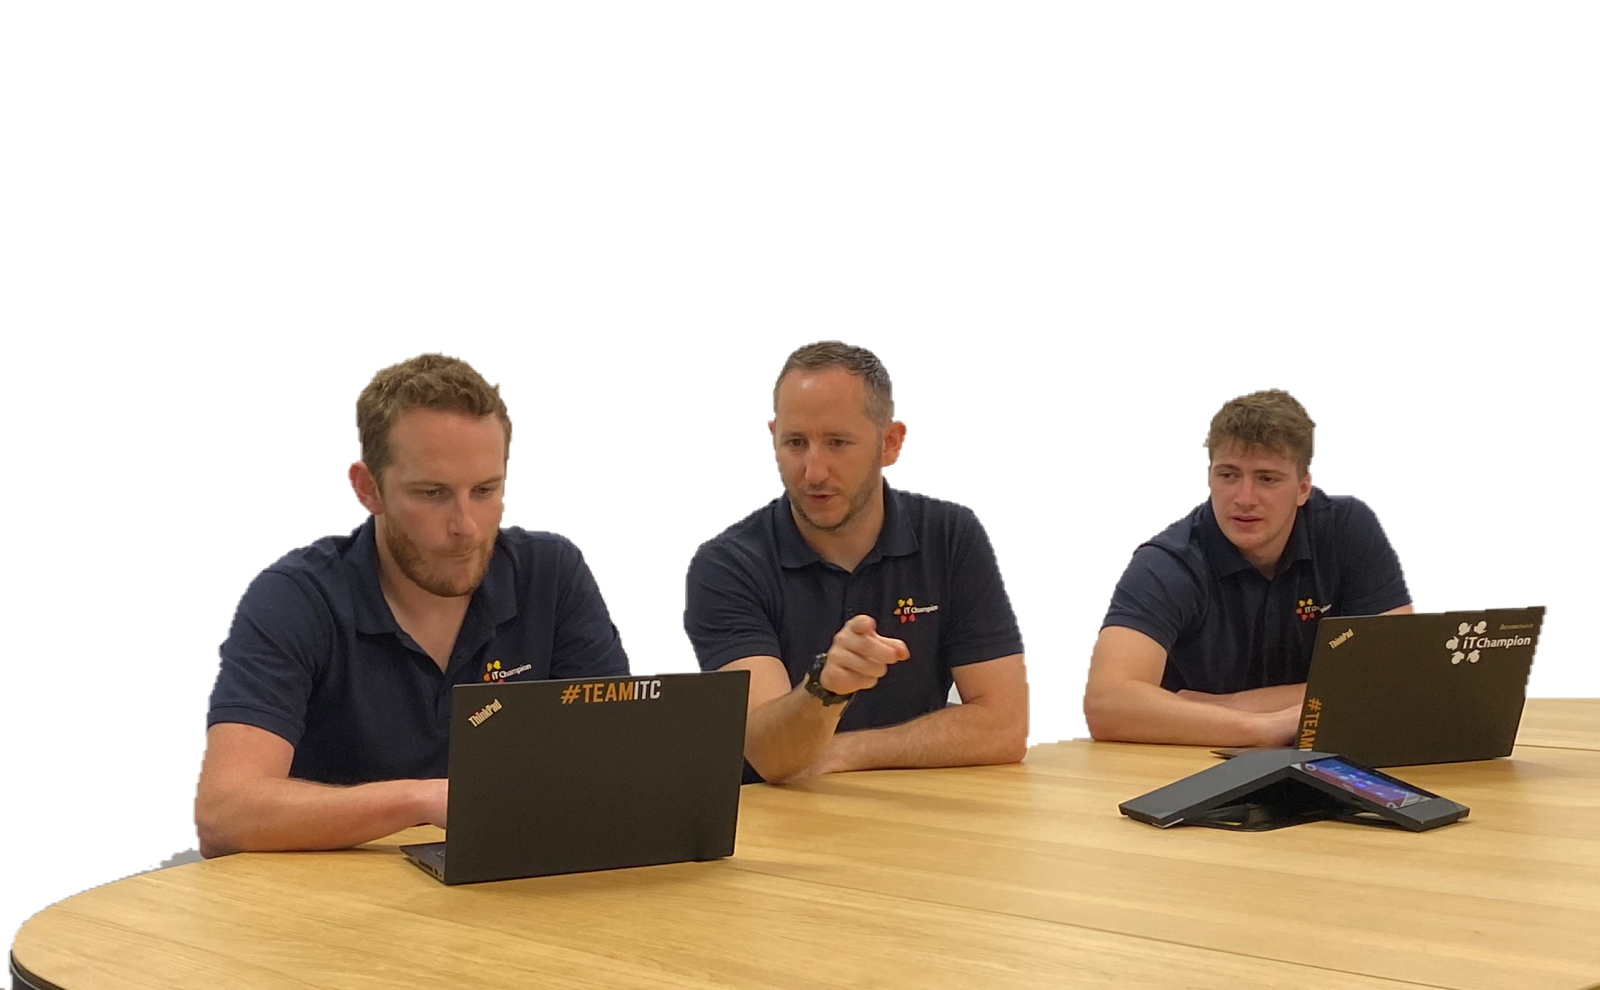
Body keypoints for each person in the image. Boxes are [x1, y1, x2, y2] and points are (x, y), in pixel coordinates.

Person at [193, 353, 629, 856]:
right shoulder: (295, 598)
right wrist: (422, 800)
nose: (465, 525)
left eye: (485, 490)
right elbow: (223, 813)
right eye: (432, 493)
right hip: (324, 904)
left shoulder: (550, 574)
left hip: (502, 886)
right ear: (367, 488)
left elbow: (615, 765)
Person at [683, 340, 1028, 784]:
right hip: (778, 825)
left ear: (890, 443)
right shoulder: (727, 565)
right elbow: (768, 755)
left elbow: (1005, 727)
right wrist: (823, 688)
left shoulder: (951, 535)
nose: (814, 471)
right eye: (795, 443)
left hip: (913, 813)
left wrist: (844, 752)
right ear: (772, 438)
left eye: (837, 443)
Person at [1083, 387, 1414, 747]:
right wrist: (1262, 728)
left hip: (1323, 757)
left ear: (1303, 488)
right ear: (1210, 476)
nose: (1243, 498)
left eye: (1267, 478)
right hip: (1196, 764)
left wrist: (1230, 705)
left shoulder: (1347, 528)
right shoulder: (1167, 561)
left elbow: (1395, 676)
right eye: (1228, 475)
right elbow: (1106, 704)